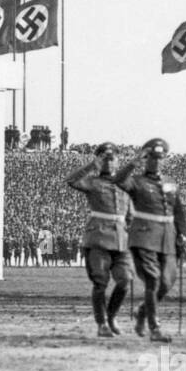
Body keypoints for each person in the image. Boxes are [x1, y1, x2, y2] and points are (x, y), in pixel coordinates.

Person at [113, 137, 186, 341]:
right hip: (144, 237)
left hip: (167, 239)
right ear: (146, 159)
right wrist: (134, 162)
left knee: (166, 282)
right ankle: (155, 328)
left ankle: (143, 312)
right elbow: (118, 180)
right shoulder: (136, 181)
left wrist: (182, 233)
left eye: (160, 158)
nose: (156, 162)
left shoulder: (171, 183)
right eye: (152, 158)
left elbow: (179, 211)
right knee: (153, 280)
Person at [66, 143, 134, 337]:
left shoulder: (126, 185)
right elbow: (71, 180)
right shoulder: (93, 182)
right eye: (104, 158)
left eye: (112, 158)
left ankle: (111, 317)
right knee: (100, 283)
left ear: (118, 161)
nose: (108, 162)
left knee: (125, 281)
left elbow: (130, 214)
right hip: (98, 239)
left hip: (121, 240)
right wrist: (91, 166)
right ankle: (102, 323)